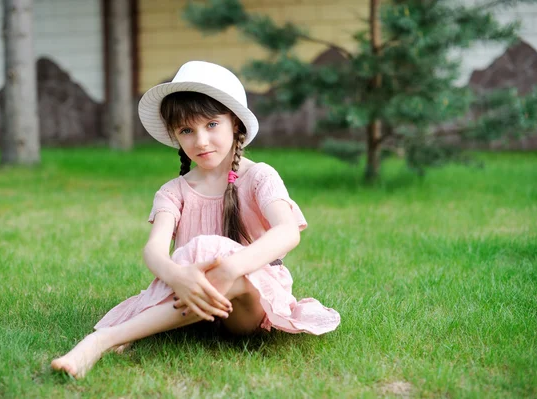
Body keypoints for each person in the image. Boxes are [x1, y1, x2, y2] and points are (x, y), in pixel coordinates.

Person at [51, 61, 340, 379]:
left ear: (235, 124)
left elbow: (288, 232)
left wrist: (232, 267)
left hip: (247, 302)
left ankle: (103, 340)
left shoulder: (259, 176)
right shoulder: (174, 191)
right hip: (188, 292)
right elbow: (154, 250)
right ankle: (117, 335)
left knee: (215, 252)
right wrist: (177, 276)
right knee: (200, 256)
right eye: (187, 130)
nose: (200, 141)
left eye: (211, 125)